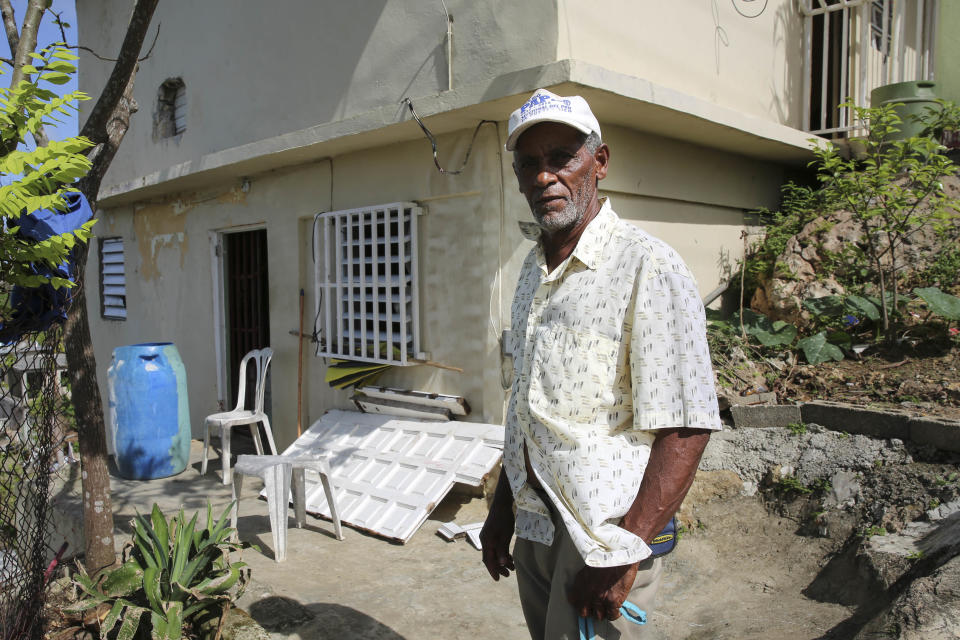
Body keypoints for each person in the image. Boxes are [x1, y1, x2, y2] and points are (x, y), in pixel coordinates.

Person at [480, 88, 722, 639]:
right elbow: (526, 405)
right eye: (529, 165)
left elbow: (685, 425)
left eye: (562, 157)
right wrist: (502, 511)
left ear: (600, 163)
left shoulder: (648, 267)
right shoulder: (529, 273)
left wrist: (625, 549)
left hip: (602, 536)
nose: (545, 177)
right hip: (536, 525)